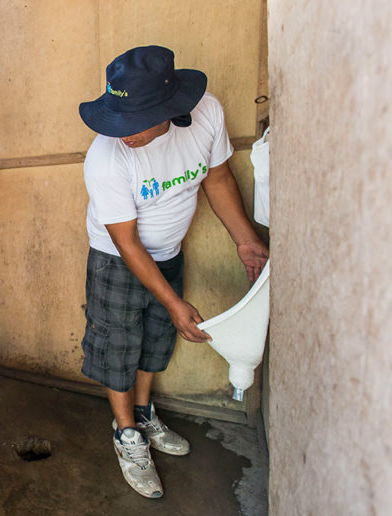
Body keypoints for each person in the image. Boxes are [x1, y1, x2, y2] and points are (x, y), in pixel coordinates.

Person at [77, 46, 268, 498]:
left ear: (169, 109)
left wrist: (246, 240)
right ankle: (127, 434)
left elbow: (217, 179)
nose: (122, 133)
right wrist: (174, 301)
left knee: (156, 338)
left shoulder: (205, 115)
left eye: (133, 123)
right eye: (116, 119)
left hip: (168, 252)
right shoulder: (106, 158)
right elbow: (126, 241)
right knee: (119, 343)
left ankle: (143, 413)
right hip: (117, 257)